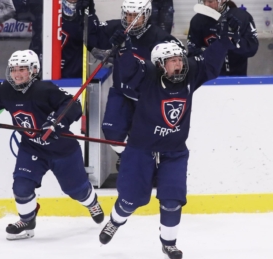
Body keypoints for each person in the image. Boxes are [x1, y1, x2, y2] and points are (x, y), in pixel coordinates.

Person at [98, 14, 240, 259]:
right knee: (131, 200)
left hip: (174, 151)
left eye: (180, 59)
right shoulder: (147, 78)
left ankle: (169, 242)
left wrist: (223, 40)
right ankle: (115, 221)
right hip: (141, 149)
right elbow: (130, 69)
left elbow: (210, 63)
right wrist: (124, 45)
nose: (179, 65)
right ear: (159, 65)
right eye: (173, 61)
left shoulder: (190, 75)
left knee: (172, 199)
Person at [0, 49, 104, 240]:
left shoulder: (44, 90)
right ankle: (27, 220)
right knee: (21, 187)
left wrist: (57, 123)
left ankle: (91, 201)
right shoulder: (5, 90)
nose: (17, 74)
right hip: (31, 148)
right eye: (13, 69)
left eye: (23, 69)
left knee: (76, 190)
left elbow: (72, 105)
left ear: (34, 70)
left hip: (61, 150)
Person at [90, 0, 185, 172]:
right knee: (111, 132)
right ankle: (126, 156)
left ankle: (146, 164)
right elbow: (92, 35)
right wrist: (88, 9)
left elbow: (180, 56)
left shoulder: (159, 36)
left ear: (146, 16)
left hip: (147, 97)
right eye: (128, 14)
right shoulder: (117, 29)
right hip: (121, 92)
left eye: (136, 16)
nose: (130, 19)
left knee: (147, 137)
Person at [187, 0, 259, 76]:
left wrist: (234, 40)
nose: (206, 5)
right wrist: (211, 51)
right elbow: (193, 54)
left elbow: (252, 49)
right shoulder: (197, 20)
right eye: (204, 1)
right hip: (208, 80)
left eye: (210, 1)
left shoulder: (242, 17)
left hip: (237, 80)